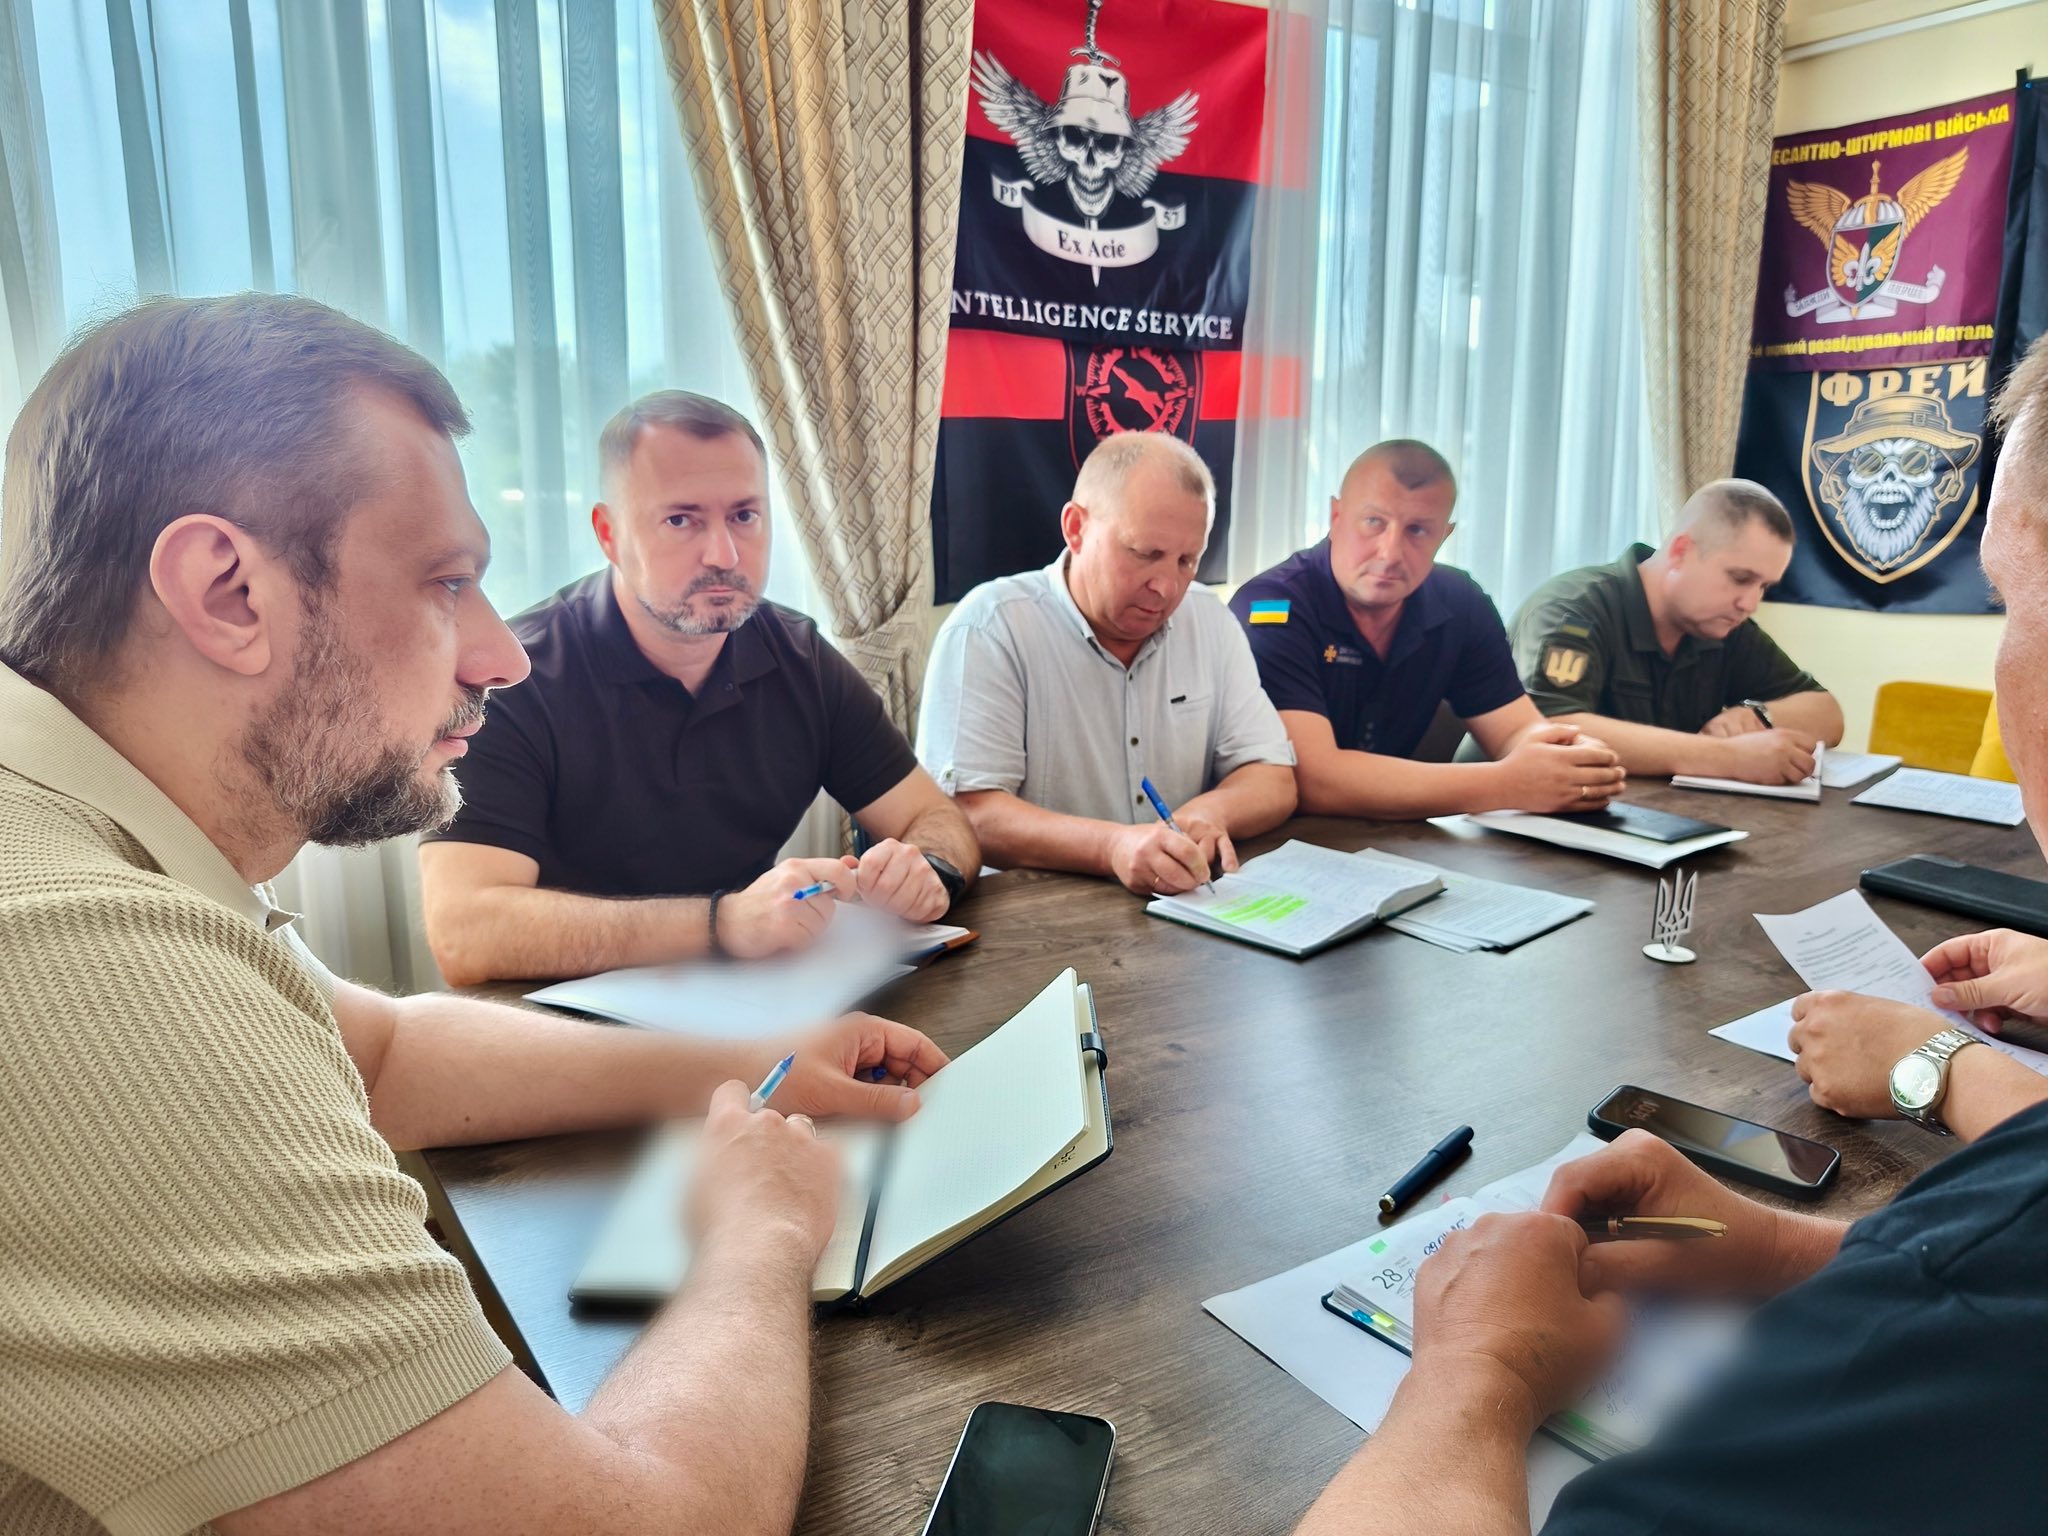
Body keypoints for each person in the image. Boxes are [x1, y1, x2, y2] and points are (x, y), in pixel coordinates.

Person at [0, 294, 950, 1536]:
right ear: (225, 591)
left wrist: (749, 1062)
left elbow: (385, 1051)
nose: (500, 656)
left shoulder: (85, 834)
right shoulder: (78, 965)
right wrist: (758, 1226)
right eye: (447, 583)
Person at [1292, 335, 2048, 1534]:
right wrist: (1780, 1247)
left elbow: (1996, 1265)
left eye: (2002, 602)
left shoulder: (1947, 1327)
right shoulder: (1502, 602)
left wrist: (1473, 1371)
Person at [417, 390, 979, 985]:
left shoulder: (800, 657)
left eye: (744, 516)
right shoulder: (516, 676)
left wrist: (930, 870)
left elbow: (935, 816)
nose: (724, 554)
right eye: (681, 520)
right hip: (560, 1014)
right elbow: (464, 932)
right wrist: (724, 923)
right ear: (609, 534)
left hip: (757, 1000)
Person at [919, 433, 1297, 895]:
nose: (1166, 586)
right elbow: (968, 814)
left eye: (1187, 561)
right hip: (1034, 914)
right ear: (1076, 528)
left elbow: (1273, 777)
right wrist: (1112, 847)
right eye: (1145, 554)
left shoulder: (1210, 621)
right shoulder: (991, 628)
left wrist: (1207, 814)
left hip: (1181, 904)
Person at [1229, 440, 1626, 819]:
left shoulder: (1459, 600)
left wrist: (1569, 756)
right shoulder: (1273, 606)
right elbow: (1315, 780)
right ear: (1336, 517)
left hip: (1395, 836)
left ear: (1444, 535)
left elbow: (1515, 731)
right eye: (1373, 522)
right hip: (1271, 842)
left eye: (1417, 530)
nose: (1390, 553)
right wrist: (1507, 783)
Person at [1509, 480, 1845, 785]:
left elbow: (1827, 713)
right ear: (1680, 551)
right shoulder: (1573, 610)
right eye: (1740, 579)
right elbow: (1551, 727)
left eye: (1764, 587)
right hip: (1530, 820)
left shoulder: (1721, 624)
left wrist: (1759, 717)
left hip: (1657, 815)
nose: (1750, 603)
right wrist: (1728, 757)